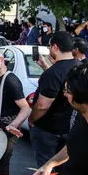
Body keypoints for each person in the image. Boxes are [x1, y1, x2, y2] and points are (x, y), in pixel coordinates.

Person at [33, 63, 88, 175]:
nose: (64, 94)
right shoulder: (84, 118)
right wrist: (50, 164)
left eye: (67, 91)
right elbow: (73, 145)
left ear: (84, 96)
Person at [28, 32, 81, 167]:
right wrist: (45, 66)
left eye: (49, 46)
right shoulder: (80, 67)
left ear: (55, 47)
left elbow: (42, 106)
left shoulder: (53, 73)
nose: (49, 50)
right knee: (61, 167)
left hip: (48, 131)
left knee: (46, 168)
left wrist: (31, 119)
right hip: (68, 128)